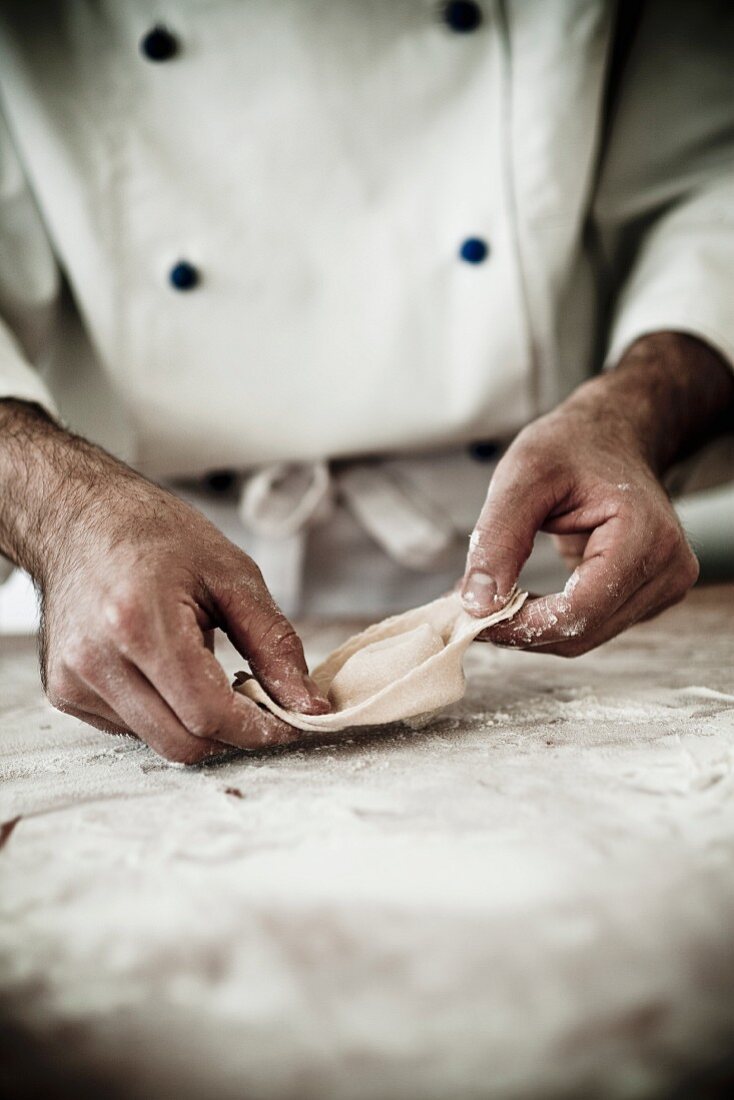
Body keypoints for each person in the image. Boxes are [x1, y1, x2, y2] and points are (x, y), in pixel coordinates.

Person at [0, 1, 733, 763]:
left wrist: (633, 412)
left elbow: (714, 182)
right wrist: (61, 512)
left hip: (534, 562)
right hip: (131, 590)